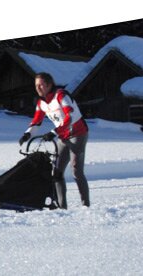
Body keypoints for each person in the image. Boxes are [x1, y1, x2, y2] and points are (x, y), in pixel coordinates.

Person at [18, 72, 90, 209]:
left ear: (49, 85)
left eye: (41, 85)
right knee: (56, 173)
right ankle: (63, 208)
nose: (38, 88)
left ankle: (86, 206)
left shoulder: (61, 95)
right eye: (36, 85)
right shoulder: (41, 102)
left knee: (76, 170)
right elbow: (37, 121)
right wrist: (27, 135)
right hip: (63, 136)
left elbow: (72, 116)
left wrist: (54, 132)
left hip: (78, 134)